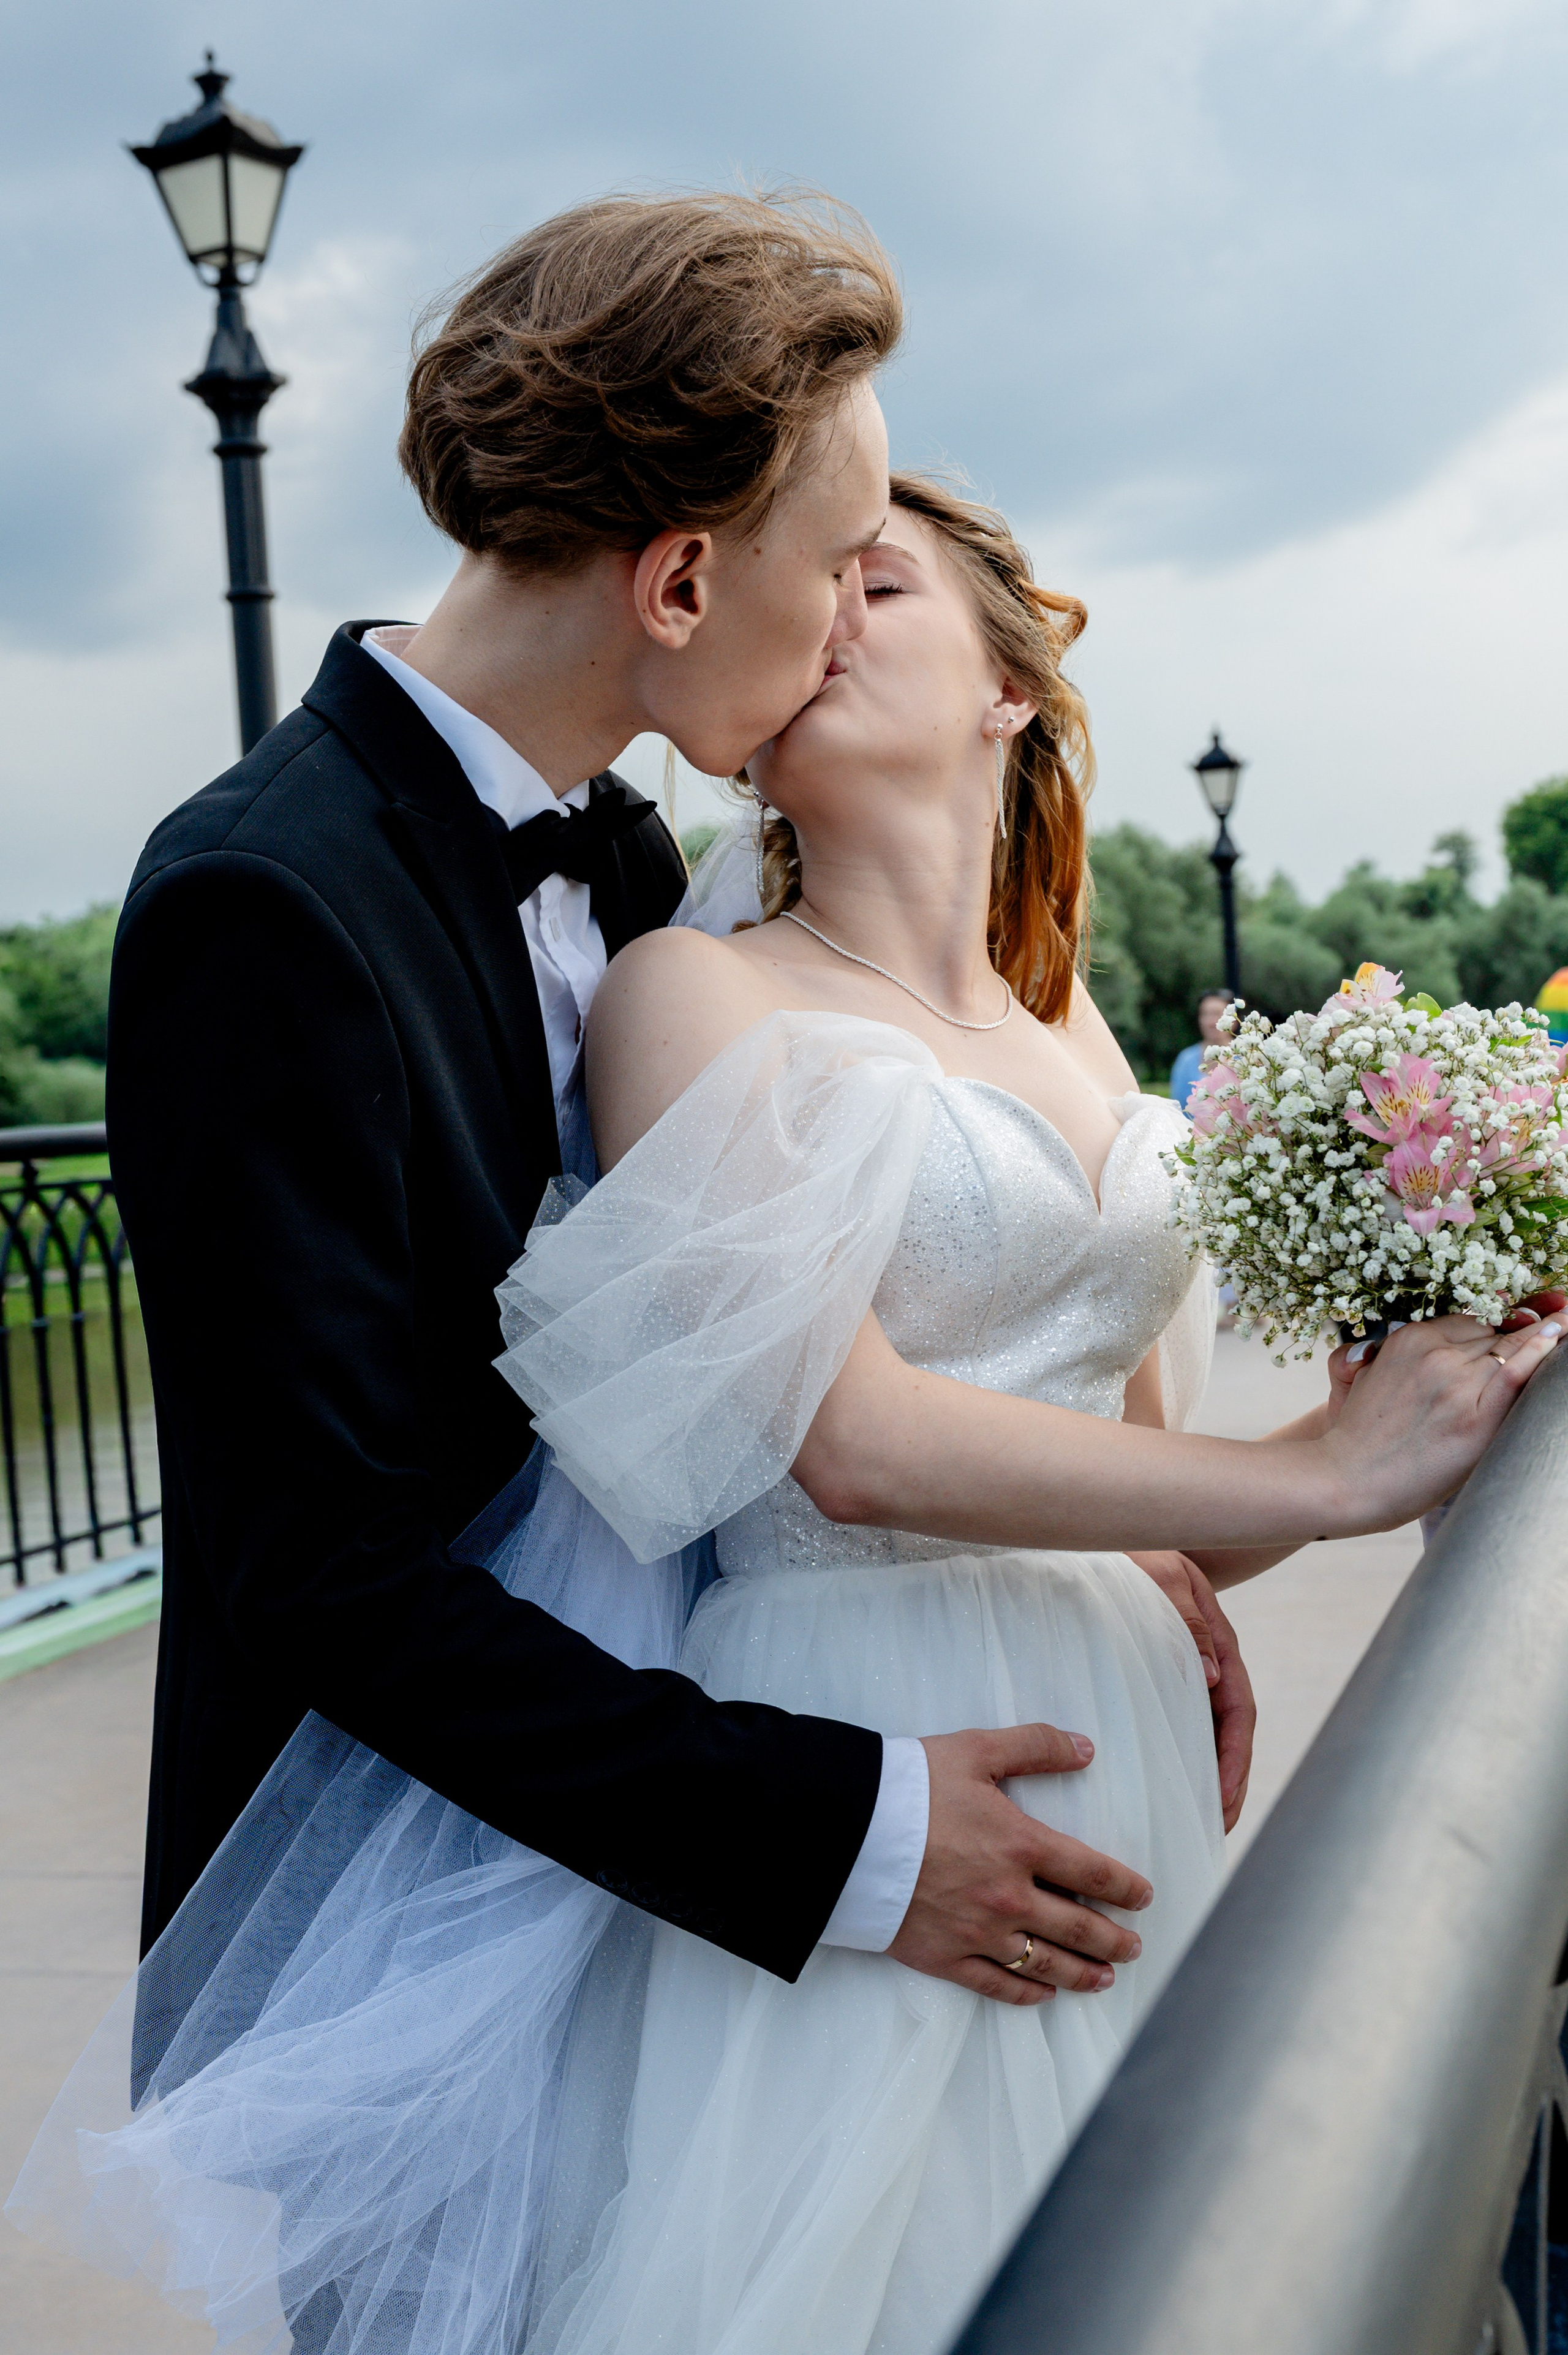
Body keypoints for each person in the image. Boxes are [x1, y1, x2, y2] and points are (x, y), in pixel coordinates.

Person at [12, 448, 1556, 2353]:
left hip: (1115, 1745)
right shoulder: (689, 984)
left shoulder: (1072, 1035)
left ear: (1013, 683)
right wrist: (1319, 1474)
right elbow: (854, 1440)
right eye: (817, 584)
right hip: (861, 1728)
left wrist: (1405, 1417)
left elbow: (1150, 1485)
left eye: (877, 587)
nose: (825, 617)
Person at [1170, 986, 1235, 1109]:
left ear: (1234, 1020)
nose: (1211, 1022)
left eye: (1217, 1014)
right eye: (1205, 1014)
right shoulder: (1186, 1060)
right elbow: (1176, 1107)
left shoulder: (1247, 1056)